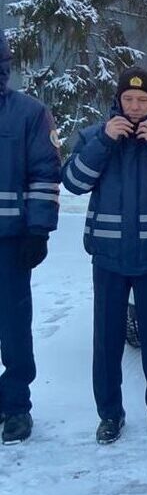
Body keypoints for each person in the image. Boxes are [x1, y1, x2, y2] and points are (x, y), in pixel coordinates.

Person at [62, 67, 147, 444]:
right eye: (129, 99)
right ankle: (109, 414)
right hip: (108, 257)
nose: (136, 106)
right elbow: (73, 182)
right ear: (118, 100)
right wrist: (104, 142)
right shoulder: (94, 135)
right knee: (107, 343)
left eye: (143, 100)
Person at [0, 28, 61, 445]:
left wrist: (38, 230)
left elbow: (44, 174)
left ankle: (16, 406)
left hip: (10, 243)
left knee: (13, 328)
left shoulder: (29, 113)